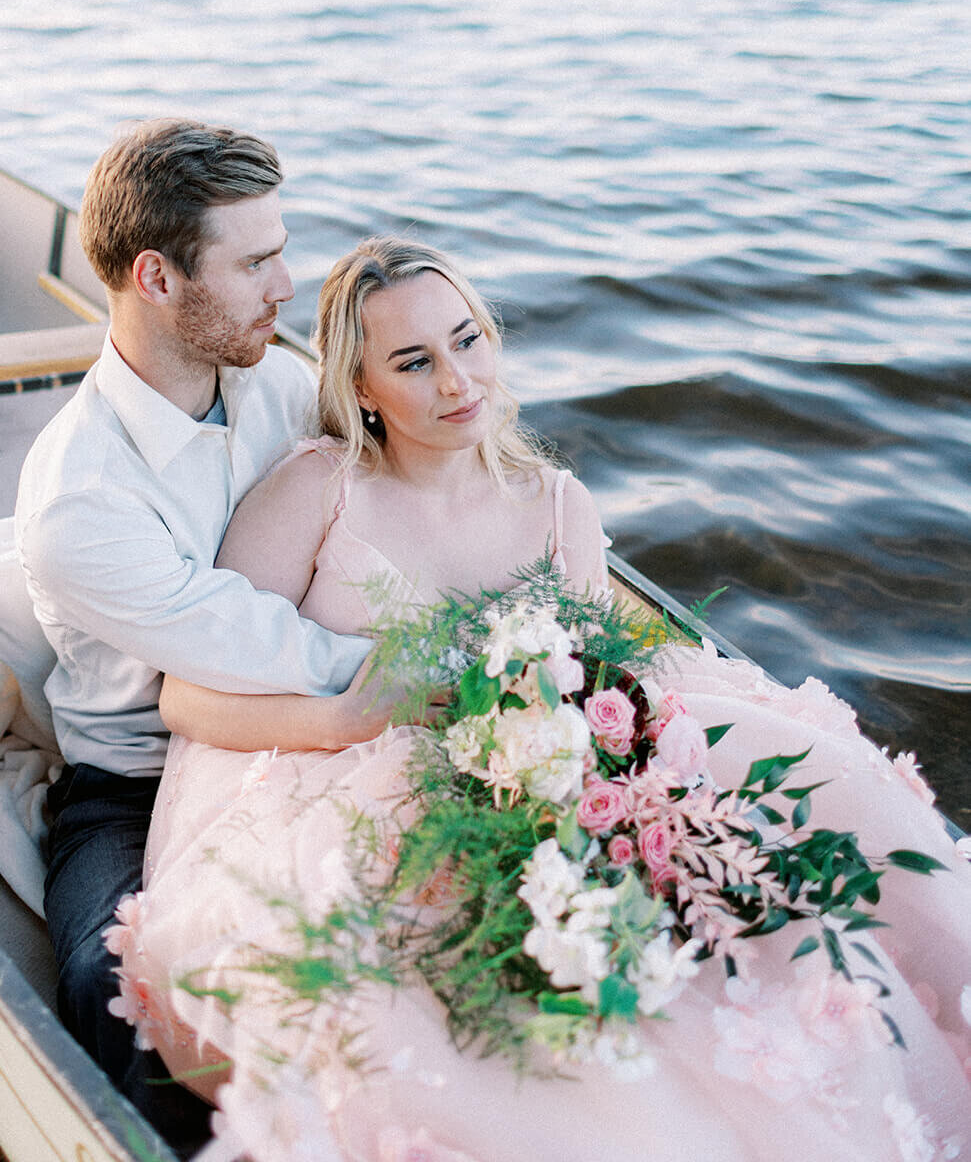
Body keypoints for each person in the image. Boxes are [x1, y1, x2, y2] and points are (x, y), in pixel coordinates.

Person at [108, 237, 971, 1162]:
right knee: (412, 992)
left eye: (467, 339)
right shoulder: (317, 490)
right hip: (334, 773)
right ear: (362, 388)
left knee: (763, 883)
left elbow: (598, 683)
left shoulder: (556, 505)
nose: (457, 380)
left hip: (533, 777)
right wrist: (343, 720)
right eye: (413, 362)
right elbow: (188, 698)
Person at [14, 119, 379, 1150]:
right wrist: (463, 669)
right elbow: (263, 643)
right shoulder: (81, 499)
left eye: (281, 249)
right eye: (255, 260)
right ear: (157, 278)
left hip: (304, 741)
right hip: (135, 779)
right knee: (125, 981)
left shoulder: (276, 385)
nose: (286, 283)